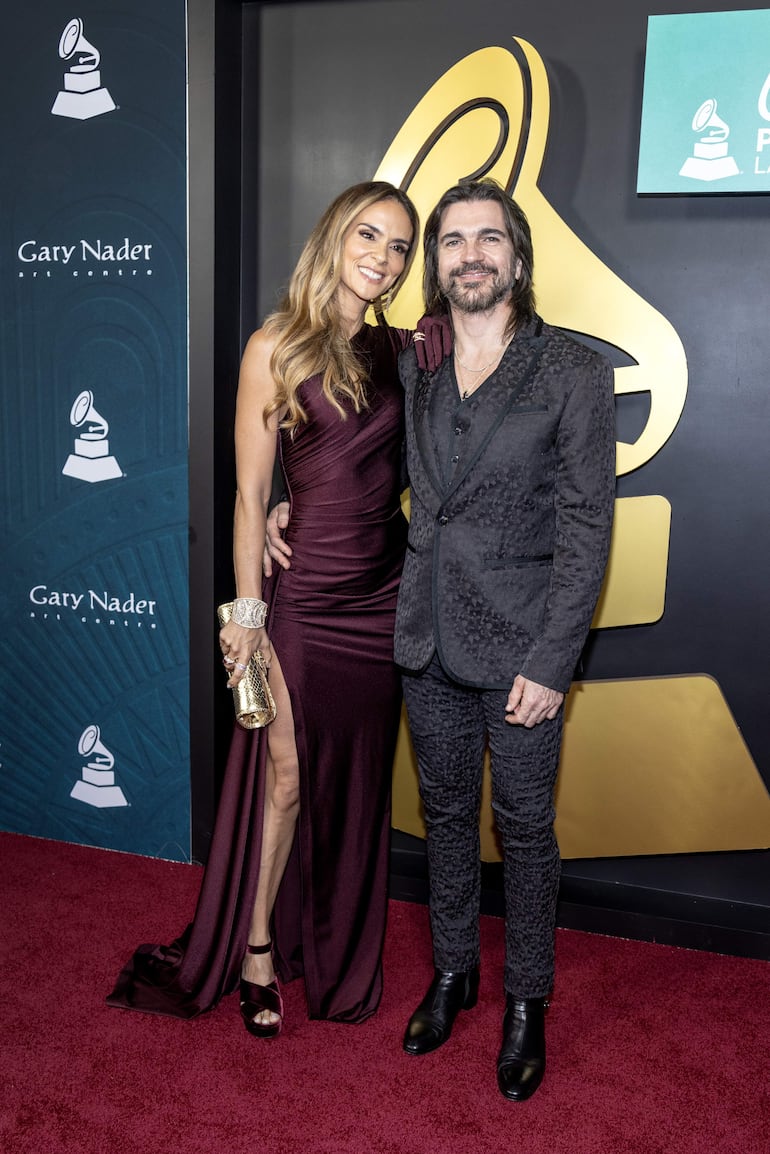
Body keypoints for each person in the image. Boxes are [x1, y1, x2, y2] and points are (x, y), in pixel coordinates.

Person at [107, 181, 419, 1032]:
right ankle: (254, 947)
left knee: (357, 783)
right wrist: (246, 614)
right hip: (306, 599)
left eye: (399, 247)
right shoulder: (274, 346)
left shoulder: (405, 352)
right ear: (333, 236)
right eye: (369, 235)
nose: (383, 258)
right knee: (286, 778)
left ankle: (336, 944)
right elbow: (250, 497)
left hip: (382, 595)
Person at [395, 179, 616, 1101]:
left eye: (489, 239)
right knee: (444, 817)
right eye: (452, 241)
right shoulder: (415, 363)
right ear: (436, 262)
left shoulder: (571, 370)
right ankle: (455, 971)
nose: (470, 255)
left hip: (525, 653)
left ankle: (528, 1000)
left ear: (518, 258)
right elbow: (360, 460)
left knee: (524, 832)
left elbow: (588, 528)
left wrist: (553, 663)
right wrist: (290, 500)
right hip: (427, 641)